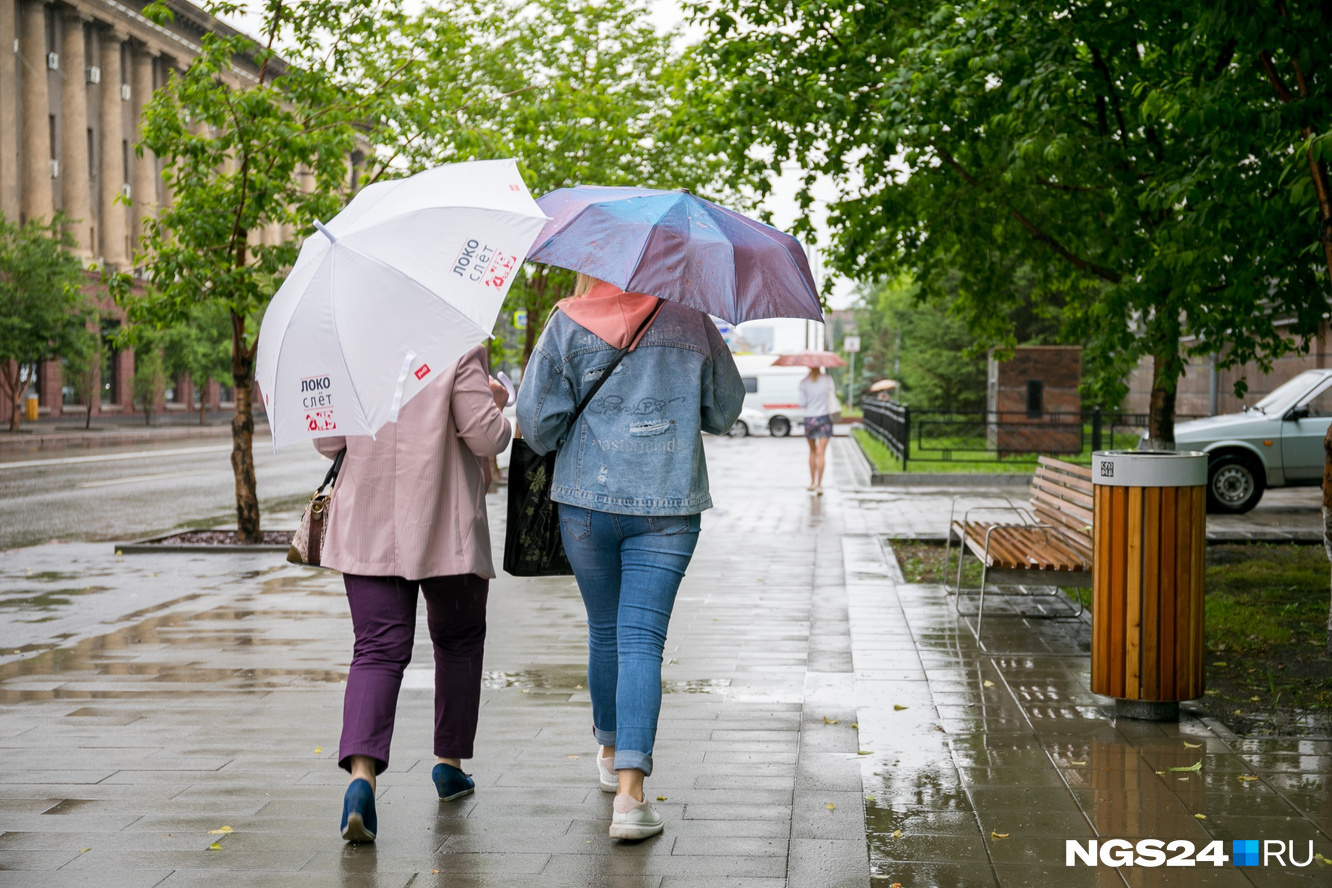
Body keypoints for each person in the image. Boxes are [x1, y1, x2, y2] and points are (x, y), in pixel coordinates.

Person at [516, 275, 745, 840]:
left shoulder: (566, 320)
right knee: (642, 639)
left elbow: (536, 425)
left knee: (604, 632)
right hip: (668, 504)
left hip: (586, 505)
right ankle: (630, 795)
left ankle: (609, 748)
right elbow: (723, 412)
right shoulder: (693, 322)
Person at [314, 344, 510, 843]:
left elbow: (329, 441)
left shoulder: (349, 346)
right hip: (446, 523)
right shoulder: (457, 343)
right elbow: (486, 437)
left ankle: (361, 779)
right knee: (460, 640)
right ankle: (449, 763)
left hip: (368, 524)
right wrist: (497, 398)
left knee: (376, 649)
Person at [799, 366, 837, 493]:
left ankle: (812, 483)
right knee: (821, 453)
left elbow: (802, 403)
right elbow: (832, 395)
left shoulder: (804, 382)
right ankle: (819, 485)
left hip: (810, 419)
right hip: (825, 418)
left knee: (812, 452)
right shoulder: (827, 379)